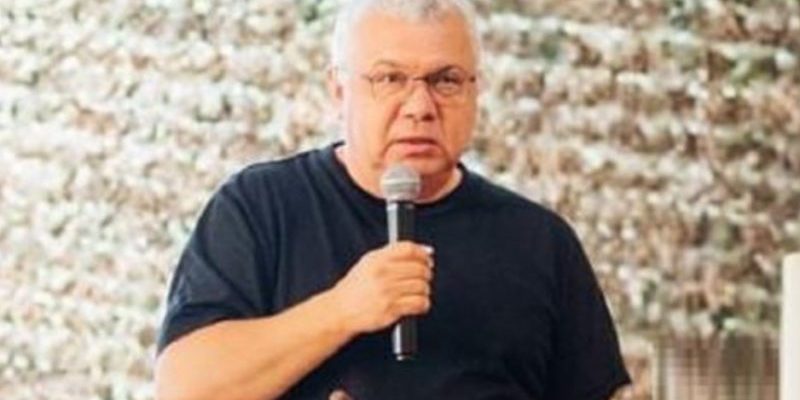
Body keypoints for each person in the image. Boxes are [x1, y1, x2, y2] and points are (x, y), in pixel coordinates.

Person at [154, 0, 631, 399]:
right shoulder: (262, 208)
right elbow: (185, 388)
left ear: (475, 92)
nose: (420, 107)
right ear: (339, 90)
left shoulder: (537, 240)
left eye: (445, 80)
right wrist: (342, 310)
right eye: (389, 79)